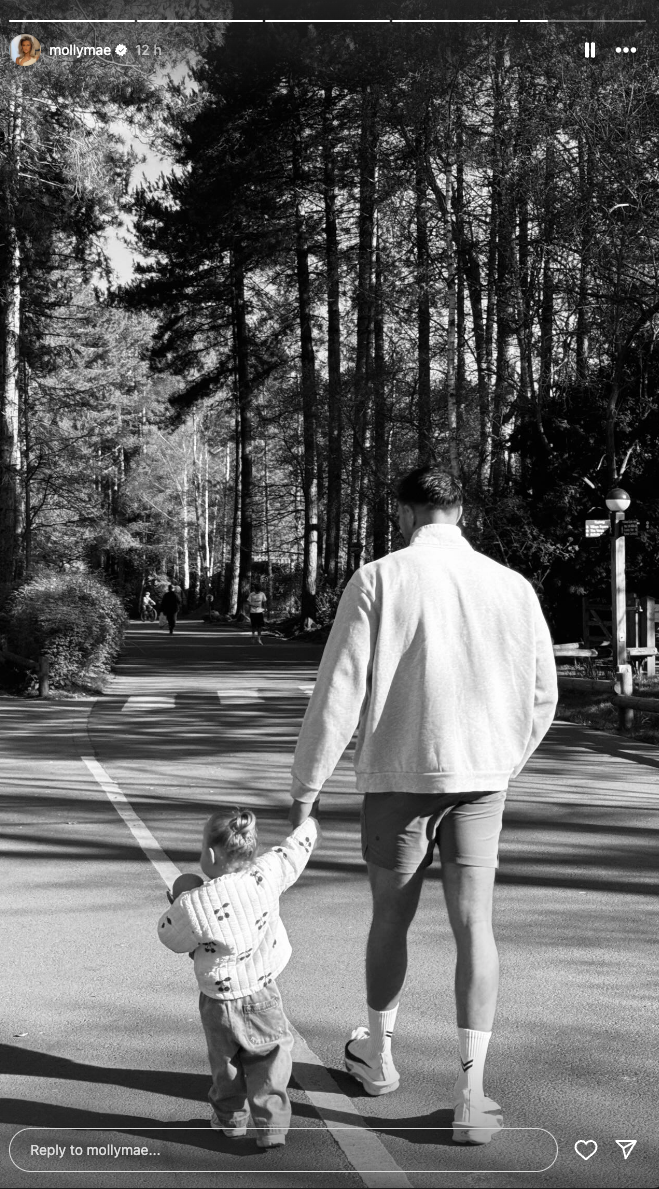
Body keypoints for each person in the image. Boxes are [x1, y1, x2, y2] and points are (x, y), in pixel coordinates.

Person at [287, 466, 557, 1145]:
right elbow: (542, 693)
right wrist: (504, 760)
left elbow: (339, 689)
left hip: (398, 776)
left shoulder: (378, 578)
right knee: (475, 926)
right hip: (480, 777)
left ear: (404, 513)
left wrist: (306, 787)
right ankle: (471, 1093)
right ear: (459, 511)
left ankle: (378, 1058)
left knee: (390, 918)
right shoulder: (512, 585)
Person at [158, 806, 319, 1147]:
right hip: (262, 992)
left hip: (217, 1001)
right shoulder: (267, 872)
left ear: (211, 854)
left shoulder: (195, 903)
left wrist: (178, 901)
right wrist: (311, 821)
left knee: (226, 1063)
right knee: (271, 1055)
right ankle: (272, 1125)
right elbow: (294, 850)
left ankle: (230, 1120)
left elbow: (170, 937)